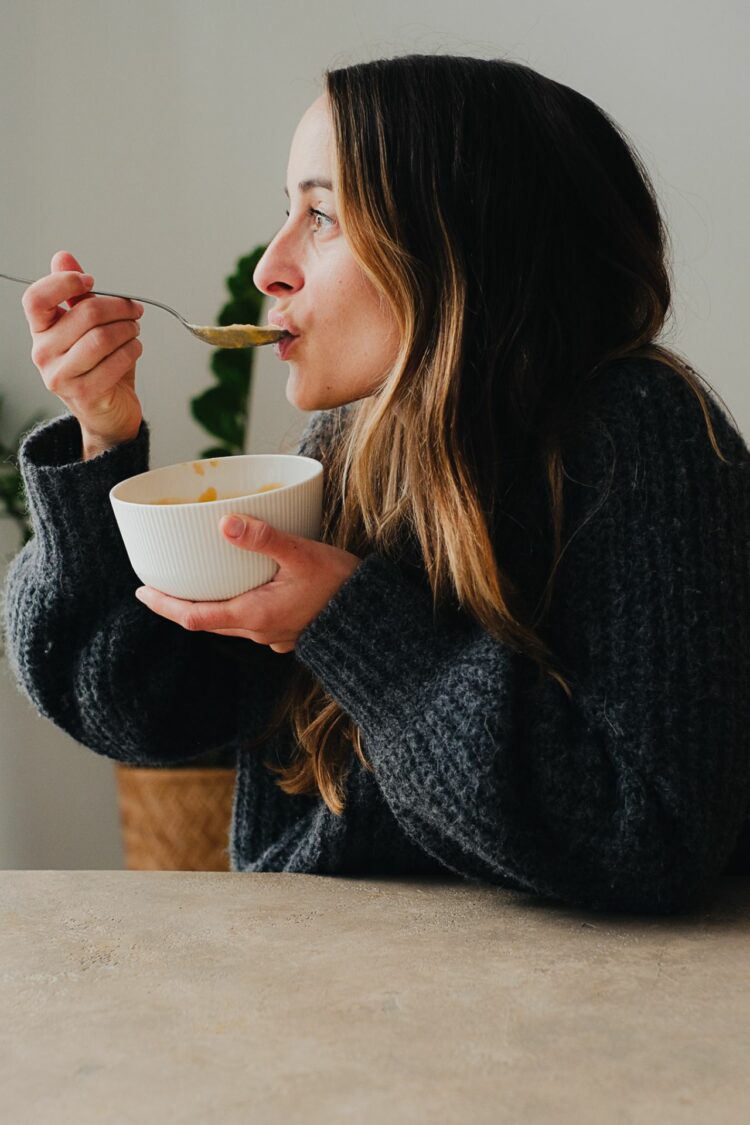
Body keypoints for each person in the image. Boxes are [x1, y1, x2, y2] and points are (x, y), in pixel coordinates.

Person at [3, 54, 749, 915]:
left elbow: (651, 835)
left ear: (459, 240)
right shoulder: (350, 448)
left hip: (544, 992)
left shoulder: (642, 431)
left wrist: (347, 621)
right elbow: (136, 706)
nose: (270, 268)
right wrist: (102, 439)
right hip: (323, 969)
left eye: (320, 215)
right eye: (286, 211)